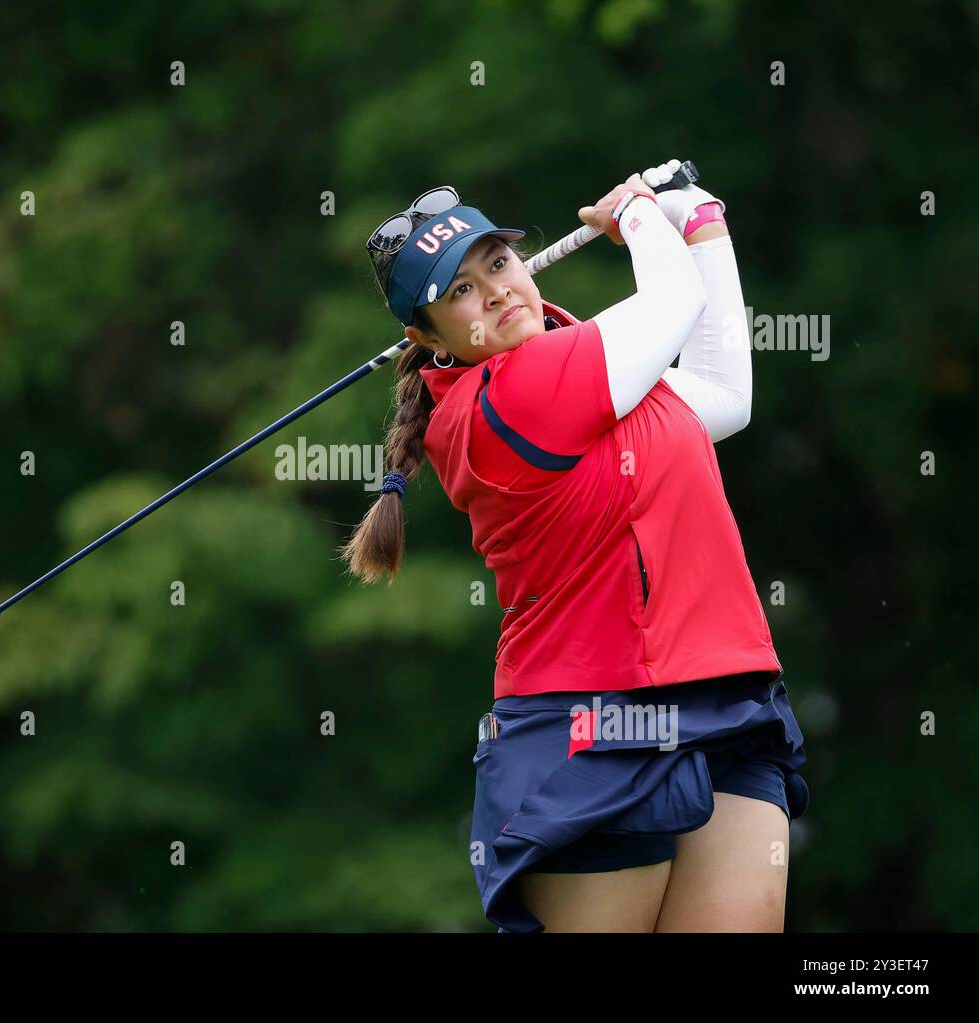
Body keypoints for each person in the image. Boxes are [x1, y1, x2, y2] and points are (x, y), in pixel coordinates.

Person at [341, 163, 810, 933]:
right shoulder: (500, 401)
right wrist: (637, 216)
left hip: (723, 690)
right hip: (589, 724)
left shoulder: (597, 366)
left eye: (497, 262)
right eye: (460, 291)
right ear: (427, 340)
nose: (494, 291)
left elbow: (722, 399)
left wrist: (703, 225)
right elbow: (670, 302)